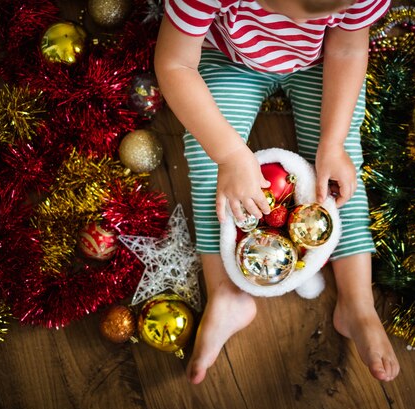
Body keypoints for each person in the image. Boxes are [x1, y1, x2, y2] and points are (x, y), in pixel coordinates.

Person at [154, 0, 400, 385]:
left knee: (337, 174)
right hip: (227, 59)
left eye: (323, 14)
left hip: (323, 64)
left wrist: (332, 143)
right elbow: (174, 65)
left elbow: (348, 47)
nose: (305, 22)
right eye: (297, 9)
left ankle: (357, 301)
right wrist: (229, 155)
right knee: (207, 162)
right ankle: (224, 292)